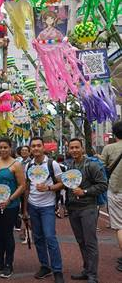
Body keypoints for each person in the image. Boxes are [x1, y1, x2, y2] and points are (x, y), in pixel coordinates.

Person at [24, 137, 65, 283]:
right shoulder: (28, 165)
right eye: (33, 146)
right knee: (38, 238)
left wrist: (48, 188)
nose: (35, 148)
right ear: (30, 149)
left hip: (47, 206)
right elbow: (26, 188)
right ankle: (45, 266)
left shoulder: (52, 164)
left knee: (50, 237)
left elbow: (62, 184)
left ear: (43, 147)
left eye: (38, 145)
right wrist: (25, 210)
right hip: (32, 206)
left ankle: (57, 270)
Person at [66, 138, 108, 283]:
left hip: (88, 207)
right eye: (72, 148)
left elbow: (103, 185)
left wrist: (84, 191)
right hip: (73, 209)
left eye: (77, 147)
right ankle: (87, 270)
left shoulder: (92, 165)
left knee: (90, 242)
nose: (74, 150)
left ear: (82, 149)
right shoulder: (69, 165)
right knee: (81, 241)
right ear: (68, 149)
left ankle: (93, 275)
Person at [0, 137, 26, 278]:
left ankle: (9, 264)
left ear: (10, 148)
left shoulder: (16, 165)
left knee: (8, 234)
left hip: (10, 205)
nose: (2, 150)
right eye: (0, 147)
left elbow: (22, 186)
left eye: (5, 147)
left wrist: (10, 199)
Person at [100, 121, 122, 272]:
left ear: (114, 133)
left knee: (120, 226)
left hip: (115, 190)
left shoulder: (109, 148)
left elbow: (100, 167)